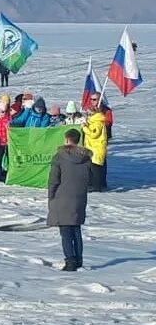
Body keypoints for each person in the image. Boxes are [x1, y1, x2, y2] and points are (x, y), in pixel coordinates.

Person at [48, 128, 91, 271]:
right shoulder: (86, 158)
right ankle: (79, 259)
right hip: (79, 197)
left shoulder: (59, 157)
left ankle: (70, 261)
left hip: (62, 197)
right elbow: (89, 179)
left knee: (66, 231)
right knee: (76, 229)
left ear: (67, 139)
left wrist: (51, 196)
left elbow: (53, 180)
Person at [83, 104, 109, 191]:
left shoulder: (98, 122)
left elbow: (94, 134)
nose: (88, 116)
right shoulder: (93, 122)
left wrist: (85, 128)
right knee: (92, 168)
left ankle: (97, 187)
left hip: (97, 149)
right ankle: (93, 185)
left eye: (89, 114)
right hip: (92, 148)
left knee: (96, 169)